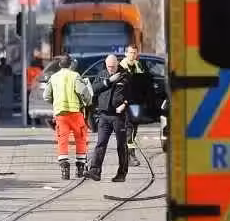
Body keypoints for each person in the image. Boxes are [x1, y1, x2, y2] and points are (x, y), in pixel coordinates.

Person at [43, 55, 92, 180]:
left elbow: (46, 96)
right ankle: (80, 168)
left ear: (59, 65)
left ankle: (64, 168)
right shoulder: (75, 76)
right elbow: (83, 92)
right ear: (71, 65)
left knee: (62, 140)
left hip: (61, 115)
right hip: (75, 114)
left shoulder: (53, 77)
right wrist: (88, 102)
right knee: (80, 138)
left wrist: (56, 102)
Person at [84, 54, 129, 182]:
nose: (111, 69)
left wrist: (125, 105)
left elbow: (133, 95)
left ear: (117, 64)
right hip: (104, 115)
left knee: (121, 145)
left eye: (113, 67)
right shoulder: (102, 74)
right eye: (109, 67)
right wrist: (108, 81)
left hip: (119, 116)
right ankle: (95, 171)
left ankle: (122, 173)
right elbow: (93, 89)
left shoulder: (125, 76)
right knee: (101, 143)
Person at [119, 44, 154, 167]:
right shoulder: (121, 67)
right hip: (124, 103)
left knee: (133, 128)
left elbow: (145, 84)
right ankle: (130, 155)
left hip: (136, 103)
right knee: (128, 128)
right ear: (125, 53)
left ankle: (128, 154)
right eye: (130, 52)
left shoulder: (139, 66)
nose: (132, 55)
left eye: (134, 53)